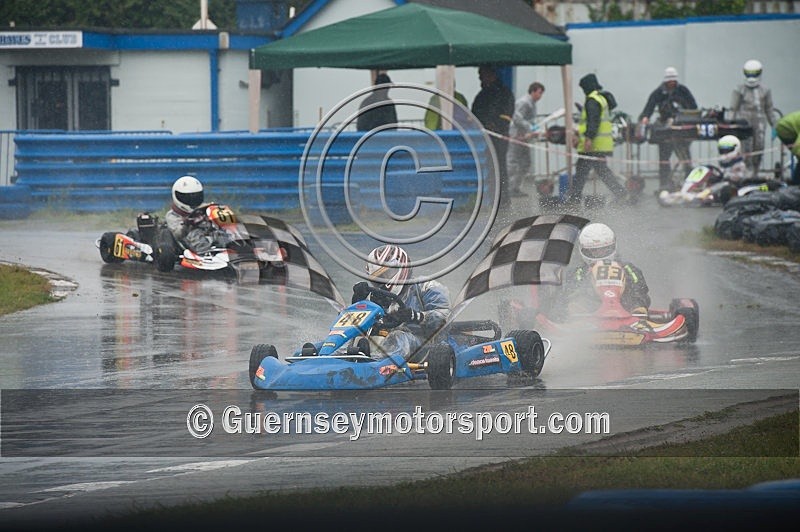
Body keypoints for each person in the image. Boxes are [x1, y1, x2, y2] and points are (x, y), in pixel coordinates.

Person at [352, 244, 451, 361]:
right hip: (383, 343)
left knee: (398, 337)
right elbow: (359, 327)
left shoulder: (426, 287)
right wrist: (357, 304)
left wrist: (416, 316)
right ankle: (338, 359)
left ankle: (376, 364)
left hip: (425, 345)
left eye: (384, 275)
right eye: (377, 279)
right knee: (356, 339)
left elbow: (445, 319)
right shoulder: (377, 298)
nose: (381, 282)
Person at [565, 73, 628, 205]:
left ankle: (574, 199)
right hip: (600, 144)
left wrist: (588, 138)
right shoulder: (600, 98)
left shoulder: (592, 100)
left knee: (582, 171)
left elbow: (593, 121)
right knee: (599, 170)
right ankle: (620, 193)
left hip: (593, 144)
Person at [563, 222, 651, 315]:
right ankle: (580, 312)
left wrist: (638, 303)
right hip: (591, 311)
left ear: (612, 246)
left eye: (604, 249)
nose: (599, 254)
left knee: (638, 296)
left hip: (626, 309)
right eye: (594, 251)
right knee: (575, 299)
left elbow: (640, 289)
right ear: (585, 250)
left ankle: (637, 311)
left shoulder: (627, 268)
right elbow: (571, 292)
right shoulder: (579, 272)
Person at [638, 67, 699, 192]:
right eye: (669, 81)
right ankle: (664, 185)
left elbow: (693, 107)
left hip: (681, 130)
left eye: (673, 80)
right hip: (665, 131)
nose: (672, 83)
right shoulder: (658, 93)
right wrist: (645, 117)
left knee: (685, 159)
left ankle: (689, 185)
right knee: (664, 160)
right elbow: (649, 107)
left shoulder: (683, 91)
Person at [471, 66, 515, 206]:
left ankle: (503, 199)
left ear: (491, 75)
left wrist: (496, 126)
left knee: (499, 166)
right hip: (485, 136)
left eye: (482, 75)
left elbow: (507, 113)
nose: (480, 78)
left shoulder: (504, 93)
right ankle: (493, 197)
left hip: (499, 135)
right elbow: (475, 112)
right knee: (490, 167)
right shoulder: (483, 94)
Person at [730, 59, 776, 179]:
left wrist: (775, 126)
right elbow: (733, 109)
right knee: (746, 149)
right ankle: (746, 174)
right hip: (744, 123)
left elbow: (769, 109)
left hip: (760, 123)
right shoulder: (739, 89)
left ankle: (755, 173)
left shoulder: (765, 90)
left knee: (759, 147)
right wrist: (731, 126)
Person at [506, 82, 546, 197]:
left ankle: (515, 187)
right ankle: (508, 188)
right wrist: (530, 128)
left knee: (525, 163)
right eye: (539, 93)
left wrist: (534, 130)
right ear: (532, 91)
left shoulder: (532, 103)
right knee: (513, 163)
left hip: (524, 137)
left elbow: (529, 120)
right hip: (516, 136)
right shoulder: (524, 102)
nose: (540, 96)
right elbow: (517, 118)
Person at [164, 175, 222, 254]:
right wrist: (187, 224)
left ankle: (236, 245)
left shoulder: (204, 208)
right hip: (190, 244)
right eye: (188, 198)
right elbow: (177, 234)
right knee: (194, 233)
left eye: (196, 197)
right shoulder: (172, 215)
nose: (193, 200)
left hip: (211, 237)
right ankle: (205, 252)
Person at [775, 110, 800, 185]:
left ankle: (796, 182)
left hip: (787, 125)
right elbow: (797, 146)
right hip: (785, 129)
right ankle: (796, 183)